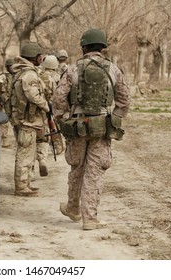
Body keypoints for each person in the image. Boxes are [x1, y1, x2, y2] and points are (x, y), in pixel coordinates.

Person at [53, 29, 130, 230]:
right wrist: (115, 119)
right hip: (102, 127)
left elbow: (59, 97)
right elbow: (124, 100)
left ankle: (73, 208)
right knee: (94, 173)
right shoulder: (113, 70)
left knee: (77, 167)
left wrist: (62, 119)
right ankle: (90, 219)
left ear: (84, 47)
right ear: (103, 48)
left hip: (77, 126)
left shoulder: (72, 70)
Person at [10, 42, 50, 196]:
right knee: (25, 153)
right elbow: (33, 95)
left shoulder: (24, 72)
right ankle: (21, 186)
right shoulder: (29, 74)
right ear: (35, 57)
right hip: (28, 120)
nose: (42, 58)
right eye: (40, 56)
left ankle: (25, 183)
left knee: (28, 152)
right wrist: (46, 106)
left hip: (28, 120)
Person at [0, 58, 15, 147]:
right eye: (11, 67)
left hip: (12, 102)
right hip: (4, 102)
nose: (13, 68)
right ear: (7, 67)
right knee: (3, 122)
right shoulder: (3, 76)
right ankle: (4, 141)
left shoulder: (16, 76)